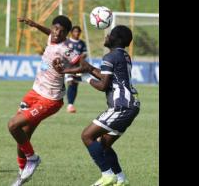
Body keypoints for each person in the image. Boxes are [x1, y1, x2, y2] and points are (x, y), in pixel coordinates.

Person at [53, 25, 140, 186]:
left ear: (116, 39)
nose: (106, 35)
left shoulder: (109, 57)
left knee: (87, 136)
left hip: (121, 106)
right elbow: (104, 76)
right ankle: (121, 179)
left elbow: (103, 86)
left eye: (110, 34)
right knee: (104, 145)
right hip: (131, 105)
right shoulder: (123, 55)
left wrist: (85, 77)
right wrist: (68, 71)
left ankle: (107, 175)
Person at [8, 15, 85, 186]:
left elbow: (83, 65)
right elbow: (50, 33)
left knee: (13, 125)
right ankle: (22, 174)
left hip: (50, 99)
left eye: (61, 31)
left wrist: (65, 70)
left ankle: (32, 158)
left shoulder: (66, 49)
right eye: (55, 28)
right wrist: (35, 24)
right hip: (34, 92)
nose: (57, 33)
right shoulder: (52, 36)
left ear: (66, 34)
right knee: (23, 135)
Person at [65, 26, 87, 113]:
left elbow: (84, 54)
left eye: (78, 32)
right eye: (75, 32)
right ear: (71, 32)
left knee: (74, 84)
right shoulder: (67, 42)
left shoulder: (82, 43)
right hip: (68, 66)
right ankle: (69, 105)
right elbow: (64, 52)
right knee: (70, 81)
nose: (77, 33)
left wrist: (78, 58)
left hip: (78, 67)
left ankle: (70, 104)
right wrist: (73, 59)